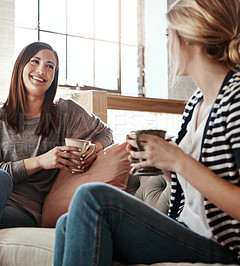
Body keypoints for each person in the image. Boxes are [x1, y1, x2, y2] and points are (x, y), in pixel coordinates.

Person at [53, 0, 240, 265]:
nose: (166, 46)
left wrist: (178, 160)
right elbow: (188, 192)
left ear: (190, 37)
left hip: (223, 247)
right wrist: (161, 163)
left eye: (168, 35)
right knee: (66, 223)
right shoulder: (196, 103)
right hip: (185, 229)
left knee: (92, 197)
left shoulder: (236, 100)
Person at [0, 41, 113, 265]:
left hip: (24, 209)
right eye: (35, 61)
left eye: (50, 66)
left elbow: (106, 133)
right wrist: (40, 162)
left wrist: (93, 149)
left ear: (54, 76)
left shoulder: (65, 111)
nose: (42, 70)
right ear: (21, 66)